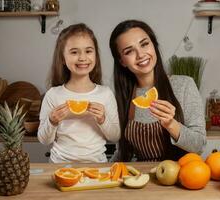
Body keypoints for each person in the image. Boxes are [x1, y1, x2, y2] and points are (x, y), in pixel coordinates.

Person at [109, 20, 206, 162]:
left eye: (144, 44)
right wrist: (105, 172)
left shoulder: (184, 85)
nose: (140, 54)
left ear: (154, 45)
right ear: (122, 61)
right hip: (143, 178)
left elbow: (199, 145)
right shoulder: (125, 95)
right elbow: (123, 152)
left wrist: (171, 124)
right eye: (129, 51)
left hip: (180, 176)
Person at [38, 23, 120, 163]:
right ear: (63, 58)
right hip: (60, 165)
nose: (82, 58)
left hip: (96, 166)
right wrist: (52, 121)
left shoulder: (105, 94)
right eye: (74, 52)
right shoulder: (53, 95)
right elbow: (44, 140)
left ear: (95, 55)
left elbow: (115, 136)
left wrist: (102, 119)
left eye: (88, 51)